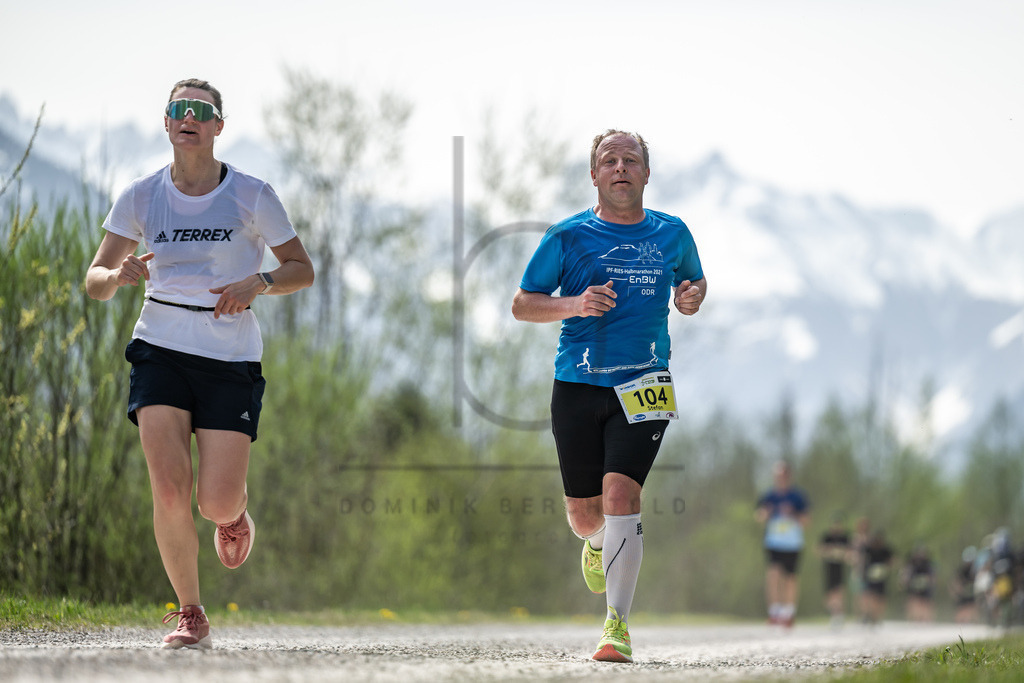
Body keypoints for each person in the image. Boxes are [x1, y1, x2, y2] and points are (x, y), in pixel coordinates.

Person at [85, 78, 314, 649]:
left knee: (213, 500)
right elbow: (94, 280)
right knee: (168, 487)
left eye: (201, 110)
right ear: (165, 123)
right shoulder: (140, 195)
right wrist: (118, 276)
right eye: (178, 109)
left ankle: (234, 515)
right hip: (159, 348)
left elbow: (300, 268)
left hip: (228, 355)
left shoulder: (252, 194)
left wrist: (259, 282)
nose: (189, 118)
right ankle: (191, 612)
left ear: (217, 125)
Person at [512, 129, 706, 663]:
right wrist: (574, 304)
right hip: (577, 384)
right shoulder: (568, 235)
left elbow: (693, 281)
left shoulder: (673, 232)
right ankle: (597, 545)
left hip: (645, 384)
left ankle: (615, 626)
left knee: (622, 496)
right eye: (609, 160)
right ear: (594, 175)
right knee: (585, 516)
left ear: (647, 173)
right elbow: (522, 304)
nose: (620, 167)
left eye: (631, 160)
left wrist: (690, 298)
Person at [754, 460, 809, 627]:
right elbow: (758, 516)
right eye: (778, 475)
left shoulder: (797, 496)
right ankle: (774, 611)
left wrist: (792, 514)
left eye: (783, 475)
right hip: (774, 542)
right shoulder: (769, 495)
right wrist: (767, 513)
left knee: (790, 578)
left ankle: (789, 612)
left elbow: (807, 520)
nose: (780, 478)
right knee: (773, 574)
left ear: (789, 476)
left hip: (792, 543)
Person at [817, 513, 851, 628]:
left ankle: (839, 614)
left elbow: (851, 553)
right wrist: (830, 552)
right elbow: (818, 550)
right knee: (829, 595)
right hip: (829, 568)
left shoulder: (845, 538)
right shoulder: (827, 537)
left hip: (840, 568)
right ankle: (834, 613)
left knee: (840, 591)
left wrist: (843, 554)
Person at [861, 529, 894, 626]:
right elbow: (862, 560)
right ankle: (871, 615)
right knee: (871, 595)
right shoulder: (868, 549)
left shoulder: (885, 550)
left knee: (880, 597)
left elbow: (892, 561)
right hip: (870, 576)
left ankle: (878, 616)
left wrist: (885, 568)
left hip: (882, 577)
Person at [901, 543, 936, 622]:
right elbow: (905, 574)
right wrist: (904, 581)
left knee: (926, 603)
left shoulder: (928, 563)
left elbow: (932, 576)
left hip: (925, 587)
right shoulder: (911, 563)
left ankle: (926, 619)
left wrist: (931, 583)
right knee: (913, 601)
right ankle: (913, 619)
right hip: (913, 586)